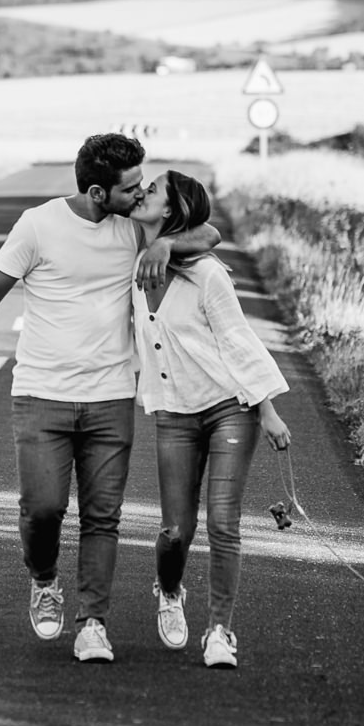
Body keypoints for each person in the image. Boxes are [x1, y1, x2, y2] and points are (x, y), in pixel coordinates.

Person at [0, 134, 218, 663]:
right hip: (41, 393)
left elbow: (210, 233)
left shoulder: (136, 228)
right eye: (130, 187)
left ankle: (92, 622)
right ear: (95, 191)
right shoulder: (38, 225)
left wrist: (164, 245)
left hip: (111, 394)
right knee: (42, 510)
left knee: (102, 516)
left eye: (141, 184)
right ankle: (44, 580)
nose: (139, 194)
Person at [129, 170, 291, 669]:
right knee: (176, 529)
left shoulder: (208, 274)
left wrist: (266, 408)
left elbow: (238, 341)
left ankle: (220, 630)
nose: (143, 192)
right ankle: (170, 589)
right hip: (173, 412)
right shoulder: (130, 254)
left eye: (154, 189)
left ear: (174, 210)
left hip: (229, 408)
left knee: (223, 522)